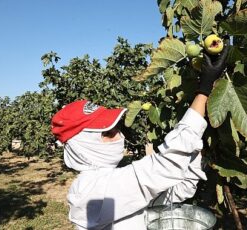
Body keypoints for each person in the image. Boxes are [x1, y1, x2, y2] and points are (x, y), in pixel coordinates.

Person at [51, 43, 229, 230]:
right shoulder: (89, 192)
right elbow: (164, 168)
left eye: (117, 128)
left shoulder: (115, 180)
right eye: (108, 132)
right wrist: (203, 91)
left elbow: (178, 190)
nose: (119, 135)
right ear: (84, 144)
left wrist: (196, 145)